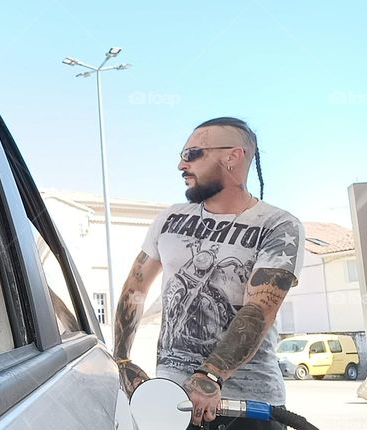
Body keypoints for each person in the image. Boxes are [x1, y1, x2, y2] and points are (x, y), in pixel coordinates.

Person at [112, 117, 305, 429]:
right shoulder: (169, 219)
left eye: (192, 154)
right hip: (172, 405)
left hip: (245, 407)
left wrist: (211, 375)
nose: (181, 165)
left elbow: (259, 310)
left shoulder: (277, 225)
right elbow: (135, 288)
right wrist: (122, 360)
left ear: (232, 157)